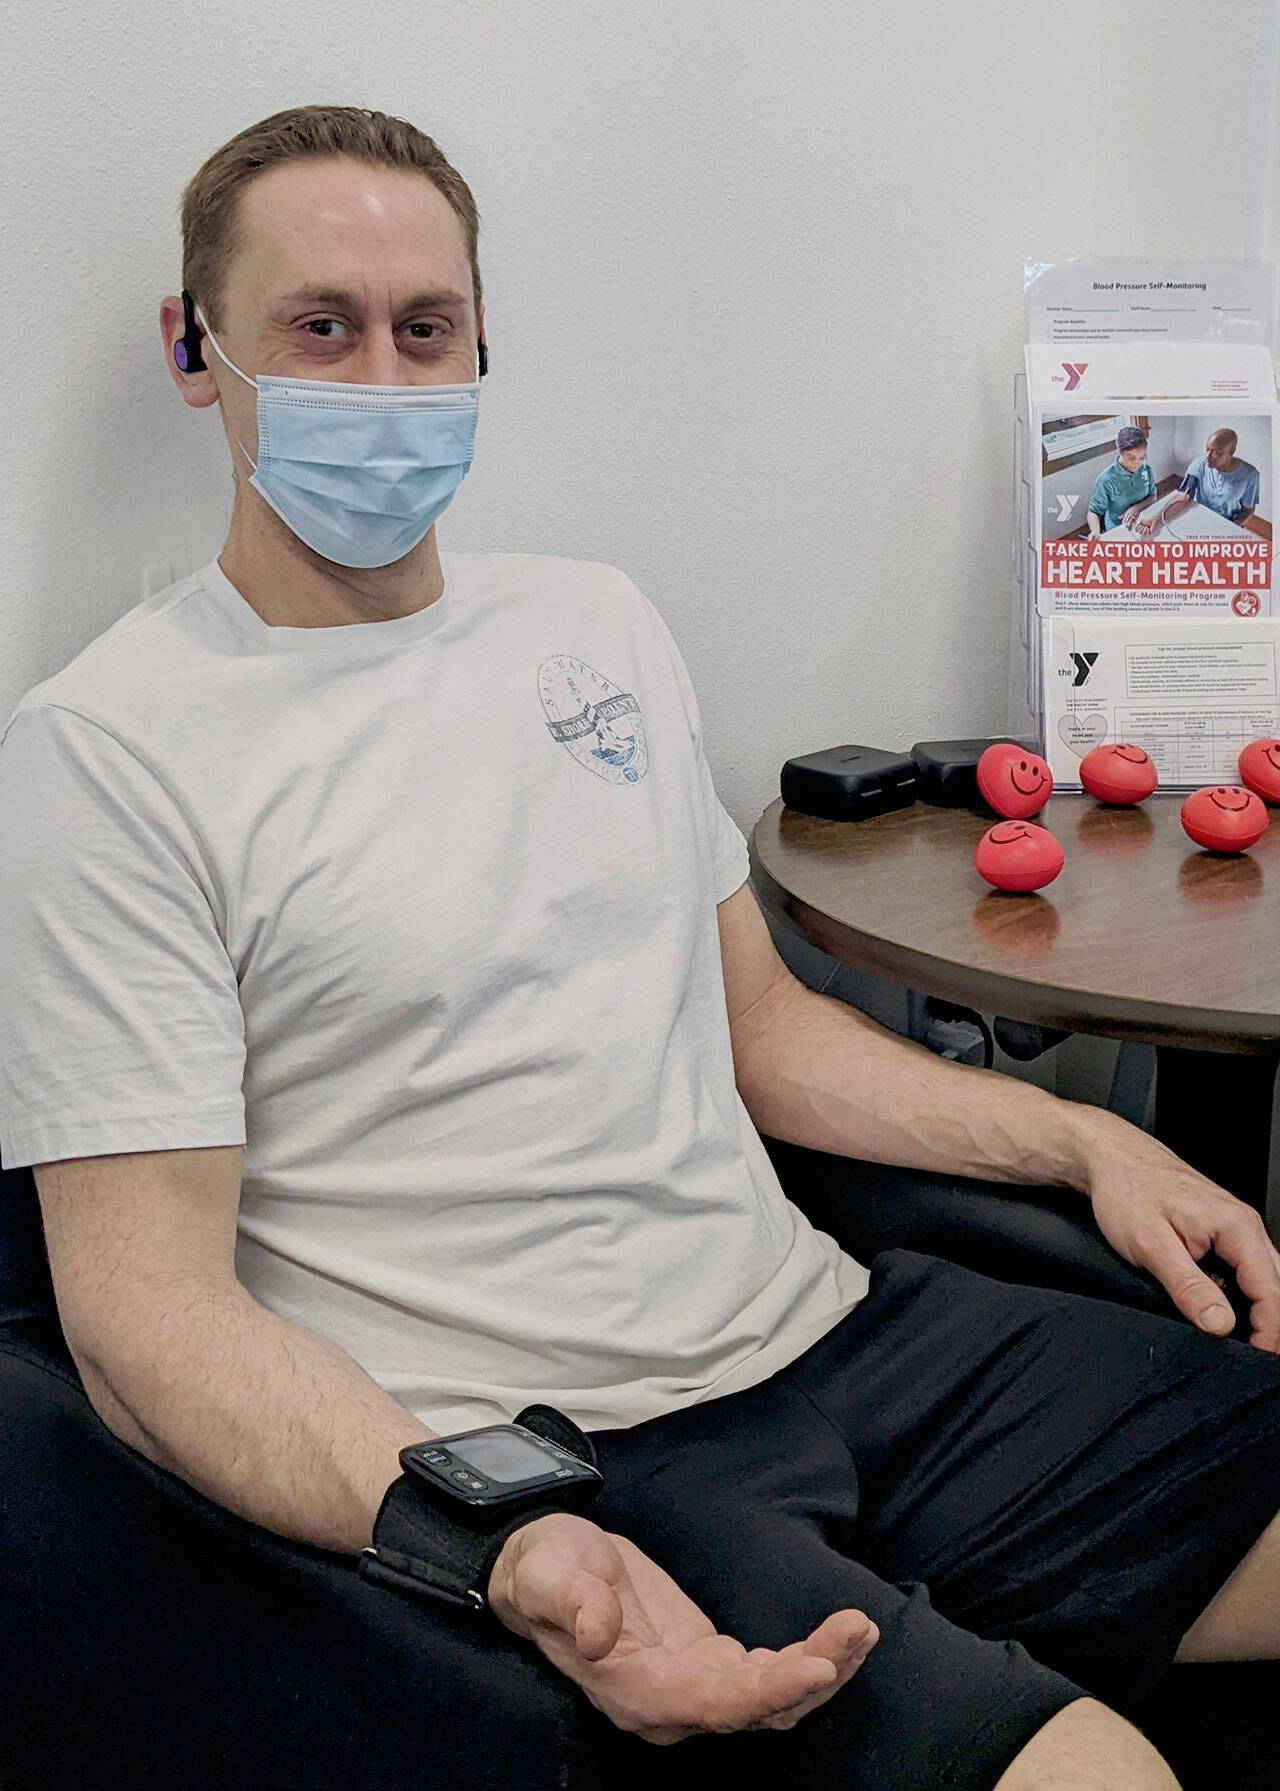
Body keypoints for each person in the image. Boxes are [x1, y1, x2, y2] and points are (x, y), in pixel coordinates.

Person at [4, 106, 1280, 1791]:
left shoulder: (593, 621)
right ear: (199, 350)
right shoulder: (111, 746)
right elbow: (140, 1316)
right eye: (320, 328)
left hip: (838, 1335)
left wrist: (1082, 1137)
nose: (382, 381)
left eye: (426, 328)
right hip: (577, 1462)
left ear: (480, 341)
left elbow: (766, 1030)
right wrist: (495, 1541)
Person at [1133, 428, 1261, 537]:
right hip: (1198, 517)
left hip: (1225, 522)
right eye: (1207, 449)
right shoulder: (1199, 464)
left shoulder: (1250, 475)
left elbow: (1248, 510)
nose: (1208, 456)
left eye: (1216, 453)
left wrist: (1231, 528)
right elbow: (1183, 497)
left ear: (1231, 450)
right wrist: (1155, 518)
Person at [1085, 425, 1157, 535]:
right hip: (1118, 525)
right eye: (1131, 458)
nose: (1137, 463)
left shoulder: (1145, 468)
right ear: (1120, 452)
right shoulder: (1106, 479)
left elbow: (1153, 496)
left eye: (1141, 457)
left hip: (1143, 517)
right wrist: (1095, 531)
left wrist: (1136, 508)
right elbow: (1093, 512)